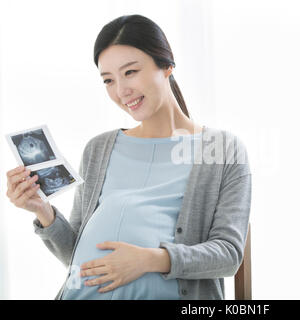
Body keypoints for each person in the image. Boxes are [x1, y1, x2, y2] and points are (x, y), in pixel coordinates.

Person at [5, 14, 252, 300]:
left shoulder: (221, 149)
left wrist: (150, 259)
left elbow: (228, 254)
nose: (121, 91)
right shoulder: (99, 148)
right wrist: (42, 211)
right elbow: (76, 258)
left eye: (131, 72)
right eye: (108, 80)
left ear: (167, 66)